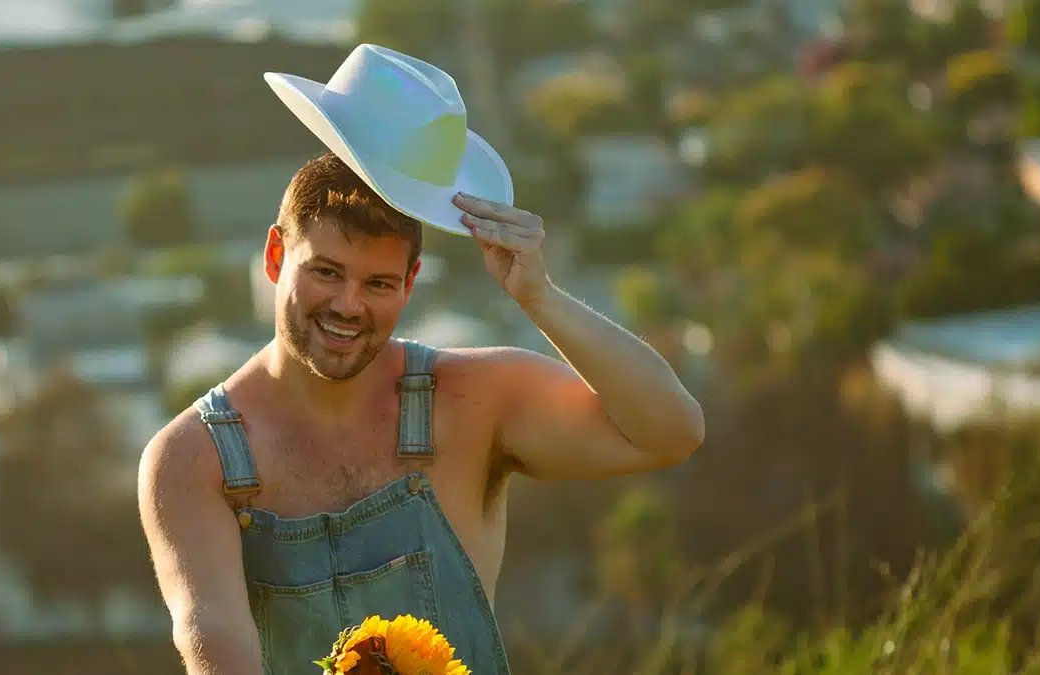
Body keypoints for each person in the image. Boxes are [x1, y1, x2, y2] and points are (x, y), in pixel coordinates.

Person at [138, 46, 704, 675]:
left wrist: (539, 298)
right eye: (326, 273)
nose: (348, 306)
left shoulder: (471, 397)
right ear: (275, 259)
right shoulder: (194, 457)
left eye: (378, 284)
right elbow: (212, 643)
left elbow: (672, 432)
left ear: (409, 285)